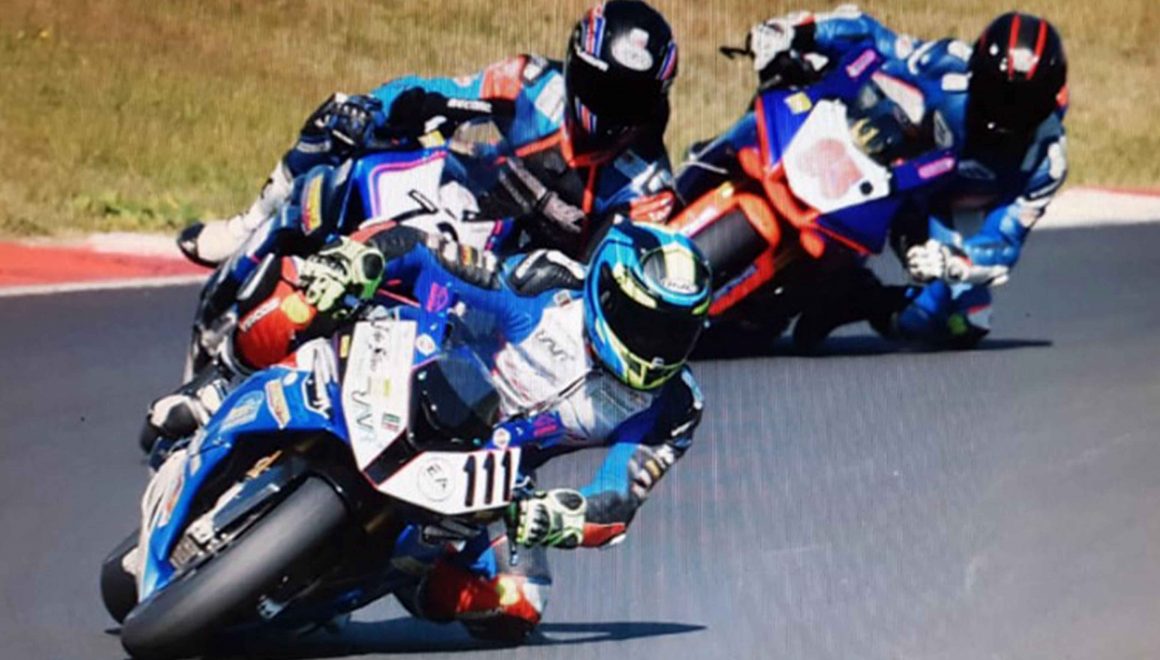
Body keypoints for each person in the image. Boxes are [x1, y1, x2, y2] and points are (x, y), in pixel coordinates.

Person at [152, 220, 712, 641]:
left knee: (517, 604)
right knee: (302, 294)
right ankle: (220, 385)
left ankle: (387, 578)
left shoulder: (674, 405)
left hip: (490, 477)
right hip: (422, 374)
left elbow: (618, 498)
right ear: (606, 292)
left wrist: (560, 517)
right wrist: (359, 259)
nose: (656, 347)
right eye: (646, 324)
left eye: (675, 333)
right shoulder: (546, 286)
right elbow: (426, 254)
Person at [179, 0, 681, 267]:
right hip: (449, 210)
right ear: (576, 66)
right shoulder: (527, 81)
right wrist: (380, 107)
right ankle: (247, 229)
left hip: (512, 291)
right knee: (338, 117)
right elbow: (436, 90)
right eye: (603, 89)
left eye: (630, 99)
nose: (612, 110)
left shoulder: (648, 189)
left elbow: (604, 282)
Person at [741, 6, 1068, 348]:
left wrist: (951, 261)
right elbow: (878, 39)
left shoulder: (1046, 162)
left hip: (936, 217)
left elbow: (1004, 244)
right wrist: (801, 32)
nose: (1007, 112)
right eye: (998, 94)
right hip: (886, 154)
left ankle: (858, 296)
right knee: (800, 73)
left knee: (964, 320)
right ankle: (732, 147)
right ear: (976, 72)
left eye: (1024, 103)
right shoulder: (949, 66)